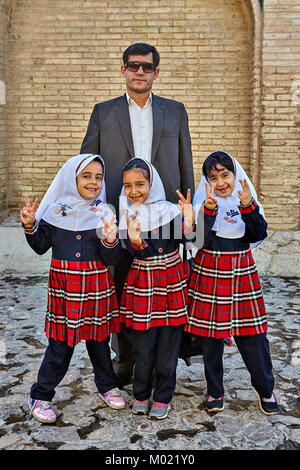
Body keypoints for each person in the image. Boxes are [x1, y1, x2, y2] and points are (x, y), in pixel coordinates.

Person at [80, 42, 195, 385]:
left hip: (165, 217)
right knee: (121, 288)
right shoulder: (103, 111)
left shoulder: (175, 111)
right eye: (133, 66)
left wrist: (187, 213)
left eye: (146, 67)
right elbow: (88, 163)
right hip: (120, 213)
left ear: (156, 72)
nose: (140, 72)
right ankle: (126, 360)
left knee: (164, 291)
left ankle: (164, 363)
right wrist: (92, 214)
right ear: (123, 70)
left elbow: (184, 162)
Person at [20, 154, 126, 424]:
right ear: (73, 178)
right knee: (61, 343)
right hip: (65, 287)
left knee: (98, 340)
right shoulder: (56, 210)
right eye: (86, 176)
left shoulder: (105, 212)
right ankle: (40, 394)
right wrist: (31, 225)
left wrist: (112, 240)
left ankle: (107, 385)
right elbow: (40, 246)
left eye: (98, 177)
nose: (93, 182)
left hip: (96, 285)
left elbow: (111, 258)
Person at [185, 150, 279, 415]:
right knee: (210, 339)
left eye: (225, 175)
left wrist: (248, 206)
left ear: (235, 176)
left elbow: (258, 232)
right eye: (213, 177)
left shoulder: (246, 201)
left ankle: (265, 389)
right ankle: (215, 390)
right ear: (207, 182)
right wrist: (210, 211)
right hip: (208, 271)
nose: (220, 182)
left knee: (253, 336)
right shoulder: (203, 205)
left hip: (241, 271)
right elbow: (197, 240)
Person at [118, 158, 192, 419]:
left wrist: (190, 219)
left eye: (140, 184)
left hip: (171, 283)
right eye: (127, 186)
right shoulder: (126, 215)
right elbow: (132, 250)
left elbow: (193, 241)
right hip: (142, 284)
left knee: (167, 346)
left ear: (153, 183)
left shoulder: (169, 211)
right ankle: (140, 393)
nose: (134, 191)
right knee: (142, 346)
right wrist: (136, 239)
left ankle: (162, 396)